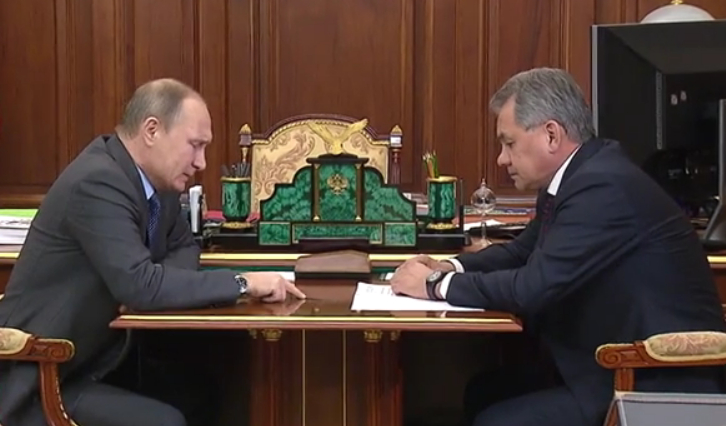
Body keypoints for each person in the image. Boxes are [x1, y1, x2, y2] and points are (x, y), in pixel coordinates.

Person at [391, 68, 726, 426]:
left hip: (653, 380)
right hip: (607, 365)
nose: (502, 159)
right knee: (483, 391)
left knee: (497, 419)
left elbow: (532, 288)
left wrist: (434, 286)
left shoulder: (602, 186)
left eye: (509, 143)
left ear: (551, 135)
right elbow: (520, 252)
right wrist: (450, 267)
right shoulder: (578, 177)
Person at [0, 78, 305, 426]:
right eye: (195, 145)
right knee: (165, 421)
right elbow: (140, 285)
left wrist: (154, 281)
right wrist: (242, 282)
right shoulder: (97, 182)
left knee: (209, 392)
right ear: (151, 131)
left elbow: (183, 245)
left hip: (101, 359)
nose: (202, 162)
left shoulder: (156, 185)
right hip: (45, 377)